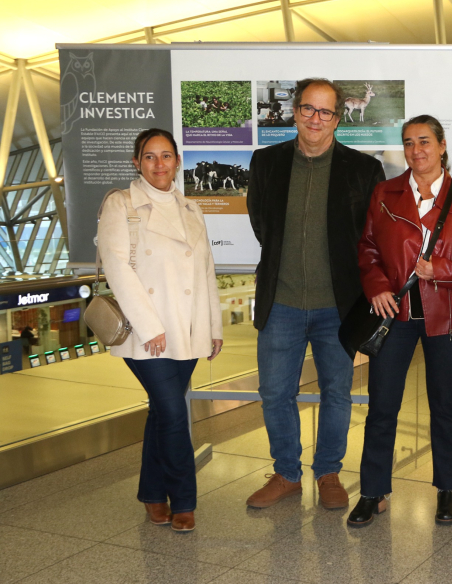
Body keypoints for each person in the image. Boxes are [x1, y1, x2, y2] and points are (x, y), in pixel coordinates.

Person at [246, 78, 384, 510]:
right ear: (295, 111)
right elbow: (260, 222)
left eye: (325, 112)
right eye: (308, 109)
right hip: (281, 302)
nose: (315, 119)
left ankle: (328, 472)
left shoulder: (363, 169)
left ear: (338, 118)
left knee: (337, 393)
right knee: (274, 393)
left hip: (338, 307)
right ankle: (286, 473)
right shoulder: (265, 162)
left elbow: (371, 236)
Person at [347, 115, 452, 527]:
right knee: (382, 405)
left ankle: (447, 490)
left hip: (449, 316)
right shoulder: (385, 193)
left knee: (445, 406)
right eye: (408, 143)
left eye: (424, 141)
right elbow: (368, 248)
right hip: (395, 313)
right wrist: (375, 285)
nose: (416, 150)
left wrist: (441, 269)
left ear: (442, 146)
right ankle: (373, 491)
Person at [97, 128, 224, 533]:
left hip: (187, 332)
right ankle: (183, 500)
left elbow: (206, 272)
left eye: (166, 156)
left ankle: (152, 493)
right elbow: (117, 269)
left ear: (177, 161)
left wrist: (212, 326)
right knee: (172, 413)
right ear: (137, 162)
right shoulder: (121, 204)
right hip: (145, 332)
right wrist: (150, 326)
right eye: (149, 157)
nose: (159, 164)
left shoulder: (191, 209)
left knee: (160, 414)